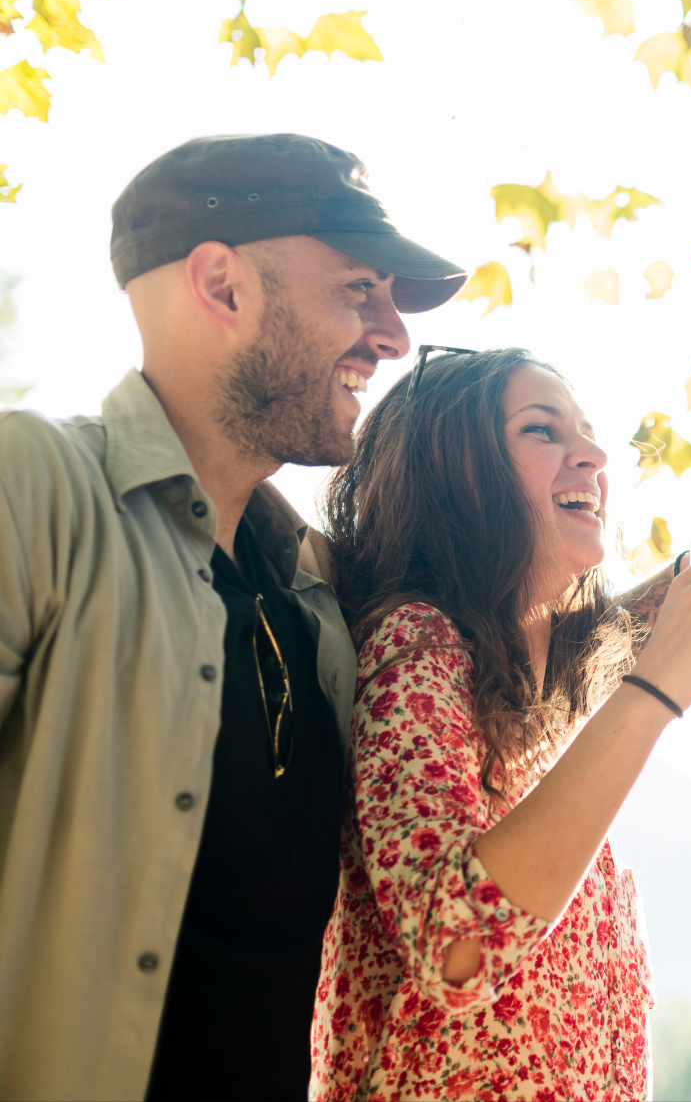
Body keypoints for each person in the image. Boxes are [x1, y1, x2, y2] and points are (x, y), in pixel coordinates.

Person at [0, 133, 469, 1100]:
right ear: (222, 286)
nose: (393, 336)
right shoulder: (33, 490)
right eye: (357, 291)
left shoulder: (318, 592)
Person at [310, 347, 691, 1100]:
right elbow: (456, 938)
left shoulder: (543, 717)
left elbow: (603, 643)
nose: (596, 456)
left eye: (588, 434)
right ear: (460, 473)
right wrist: (658, 685)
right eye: (542, 431)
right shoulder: (418, 649)